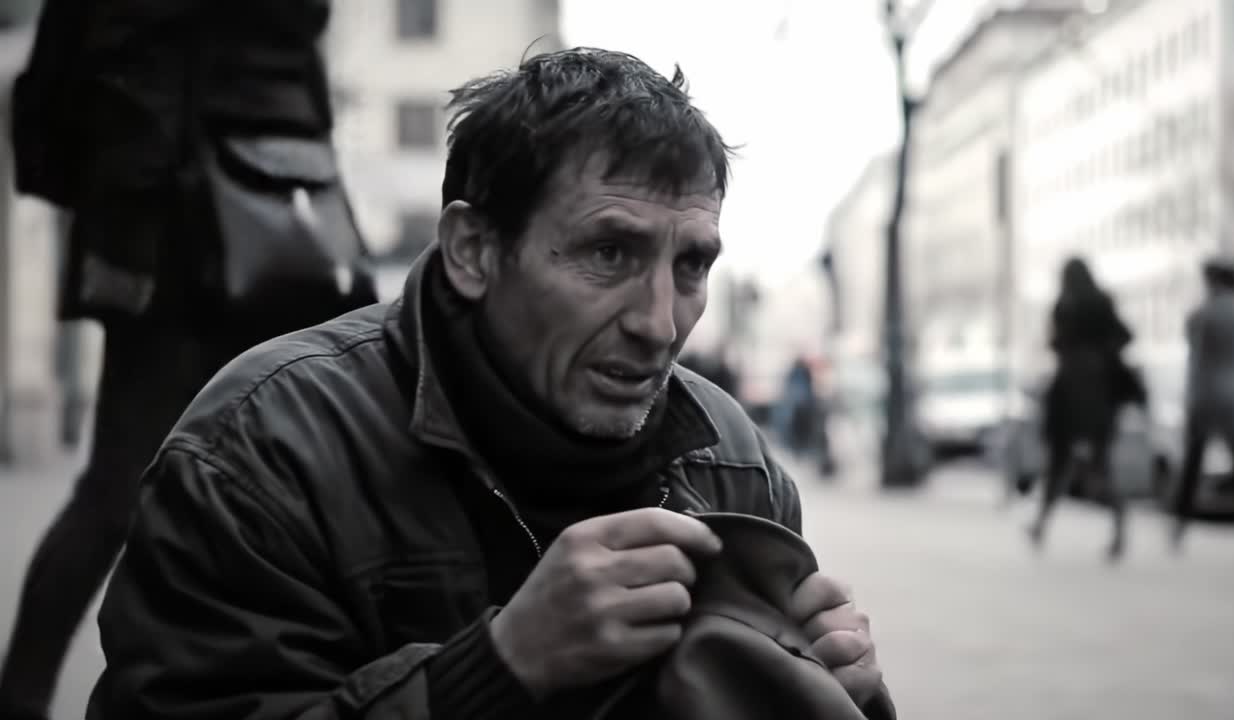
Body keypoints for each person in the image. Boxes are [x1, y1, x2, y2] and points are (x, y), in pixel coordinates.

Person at [85, 48, 889, 719]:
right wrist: (496, 670)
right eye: (609, 253)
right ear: (473, 250)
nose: (659, 321)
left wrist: (835, 691)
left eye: (690, 265)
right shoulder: (263, 448)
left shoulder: (733, 461)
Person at [0, 3, 371, 718]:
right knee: (291, 476)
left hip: (160, 222)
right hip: (284, 222)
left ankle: (26, 696)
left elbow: (59, 74)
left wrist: (76, 181)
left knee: (116, 491)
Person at [1030, 257, 1135, 560]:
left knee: (1061, 463)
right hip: (1099, 393)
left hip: (1071, 391)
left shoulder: (1065, 306)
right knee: (1096, 465)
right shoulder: (1101, 303)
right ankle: (1118, 526)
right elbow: (1125, 336)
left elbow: (1056, 344)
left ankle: (1041, 524)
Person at [1173, 257, 1234, 560]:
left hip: (1206, 394)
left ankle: (1179, 528)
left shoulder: (1205, 313)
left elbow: (1194, 346)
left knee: (1193, 463)